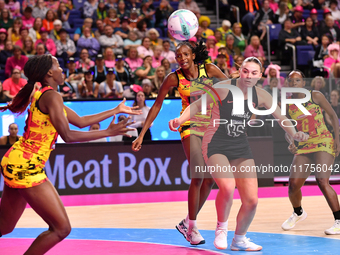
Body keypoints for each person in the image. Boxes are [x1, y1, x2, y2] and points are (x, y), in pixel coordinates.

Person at [0, 54, 141, 254]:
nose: (62, 69)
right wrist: (108, 132)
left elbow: (81, 121)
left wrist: (115, 110)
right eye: (58, 65)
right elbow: (67, 135)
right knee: (61, 228)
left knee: (4, 226)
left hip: (15, 160)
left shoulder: (44, 94)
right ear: (49, 72)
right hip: (26, 166)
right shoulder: (51, 96)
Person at [168, 57, 308, 250]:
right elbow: (197, 105)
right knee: (227, 186)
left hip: (239, 146)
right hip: (215, 143)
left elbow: (281, 117)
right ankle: (221, 229)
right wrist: (179, 119)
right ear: (240, 71)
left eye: (253, 73)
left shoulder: (261, 95)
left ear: (260, 75)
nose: (248, 76)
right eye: (245, 71)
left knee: (251, 200)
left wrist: (295, 134)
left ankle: (239, 239)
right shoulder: (224, 88)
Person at [132, 41, 230, 245]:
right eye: (178, 56)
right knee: (198, 173)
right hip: (190, 126)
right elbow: (157, 105)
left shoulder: (209, 69)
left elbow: (230, 88)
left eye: (185, 54)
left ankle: (186, 222)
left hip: (212, 126)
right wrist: (142, 134)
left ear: (193, 55)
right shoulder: (173, 78)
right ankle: (192, 227)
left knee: (210, 180)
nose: (182, 59)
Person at [282, 70, 340, 235]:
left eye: (298, 81)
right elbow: (288, 129)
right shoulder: (287, 103)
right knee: (293, 185)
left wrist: (337, 139)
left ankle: (339, 220)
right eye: (291, 81)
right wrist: (291, 141)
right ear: (288, 83)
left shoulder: (315, 95)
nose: (294, 84)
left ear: (303, 82)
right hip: (305, 144)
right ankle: (298, 213)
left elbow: (333, 116)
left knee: (322, 180)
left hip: (323, 140)